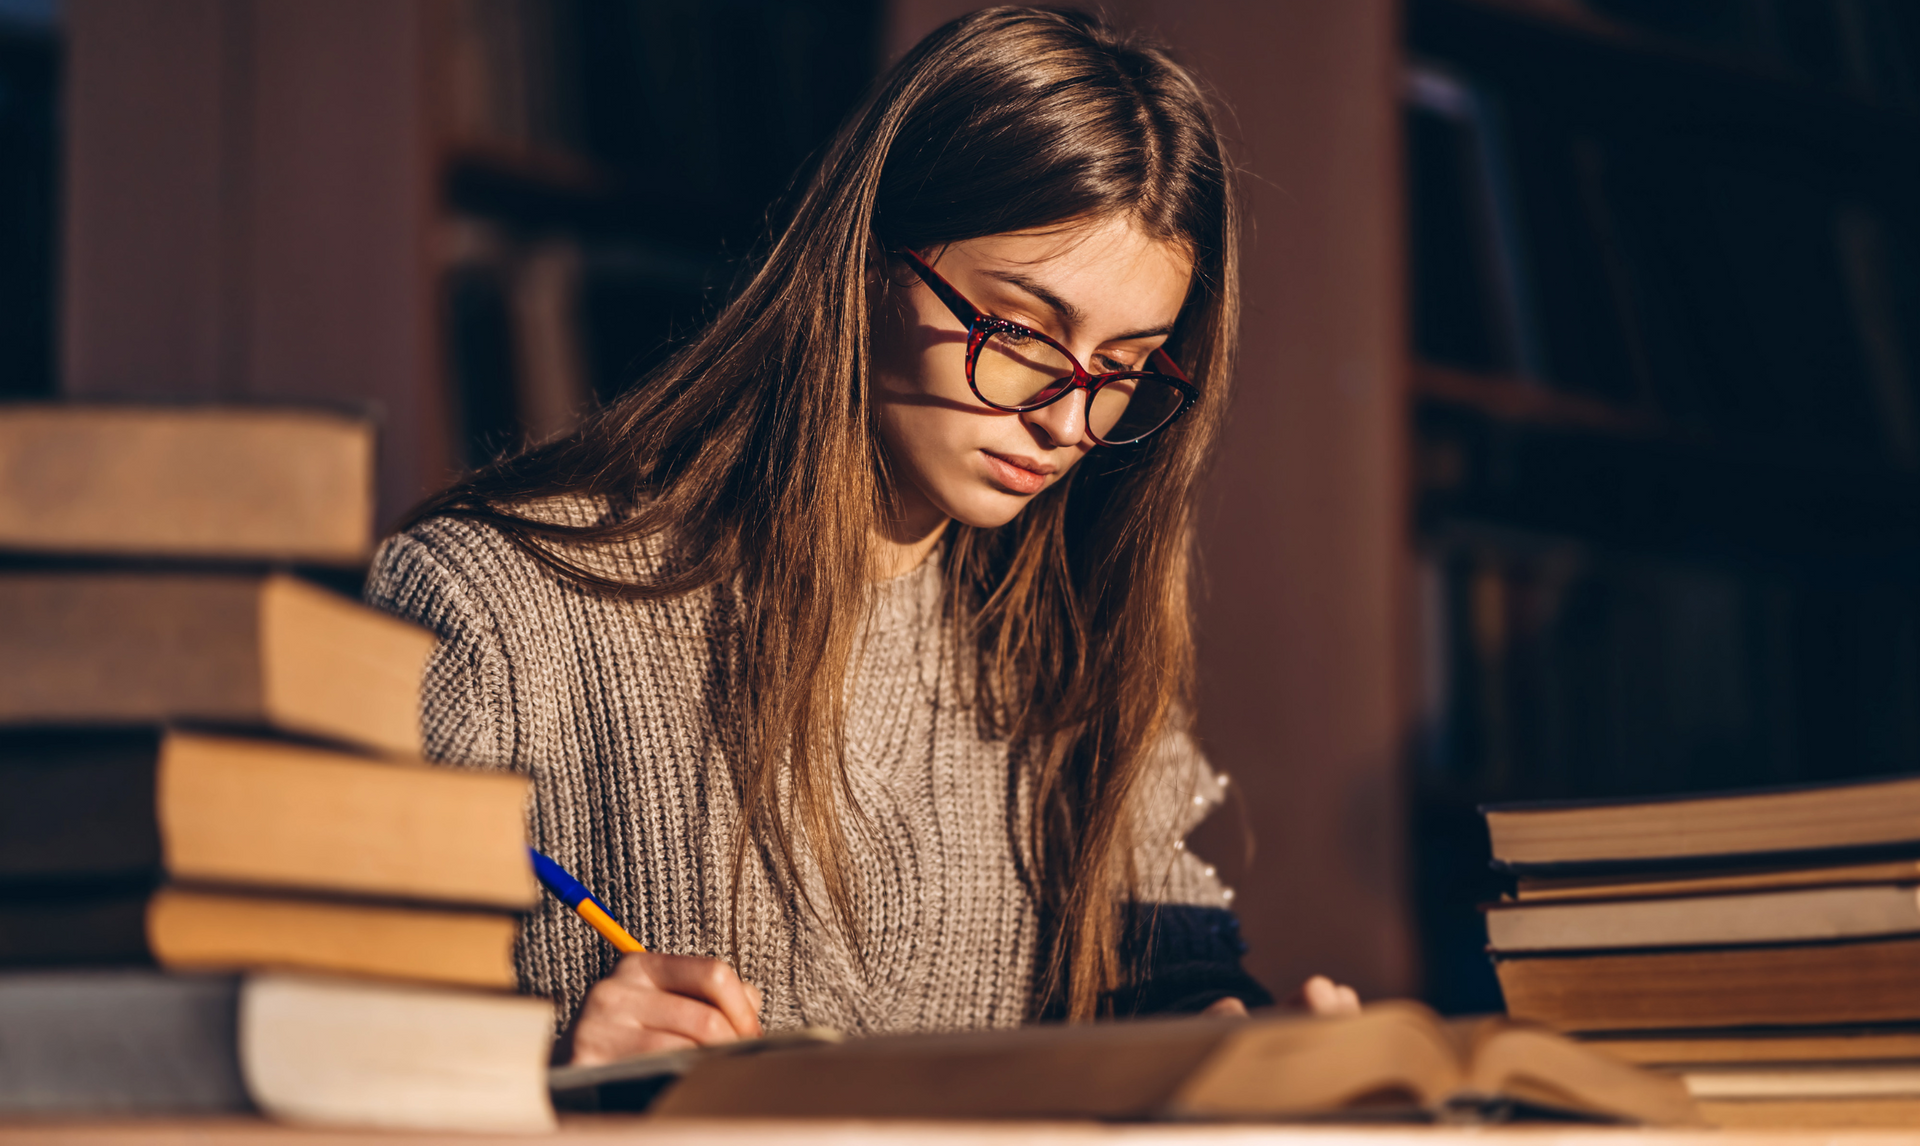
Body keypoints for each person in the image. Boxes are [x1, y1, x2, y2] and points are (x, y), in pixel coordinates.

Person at [366, 6, 1358, 1067]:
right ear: (869, 262)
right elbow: (316, 1046)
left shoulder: (1070, 645)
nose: (1071, 421)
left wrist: (1241, 1050)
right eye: (1020, 332)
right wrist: (547, 1064)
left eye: (1122, 369)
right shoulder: (492, 608)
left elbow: (1166, 984)